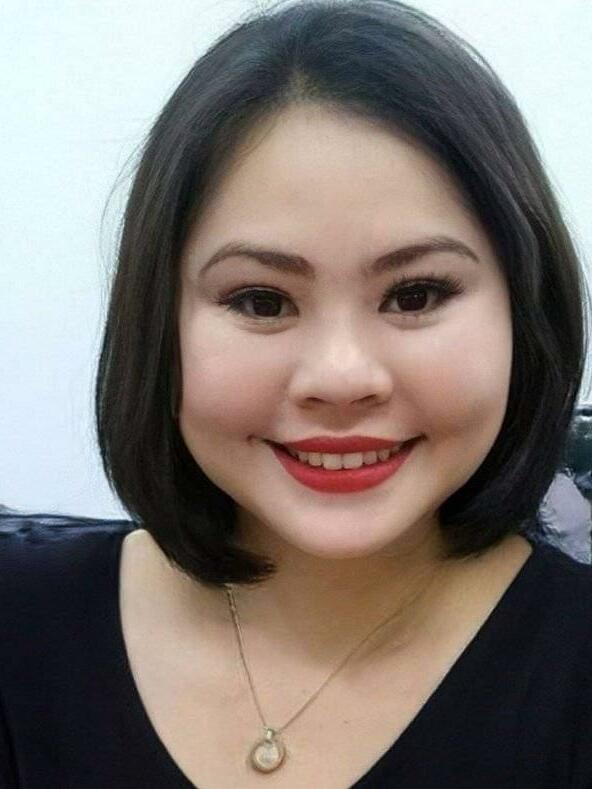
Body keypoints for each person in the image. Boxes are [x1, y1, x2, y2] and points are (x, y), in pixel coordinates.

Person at [1, 0, 591, 786]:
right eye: (261, 300)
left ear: (525, 307)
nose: (340, 378)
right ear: (159, 321)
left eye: (415, 294)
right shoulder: (19, 621)